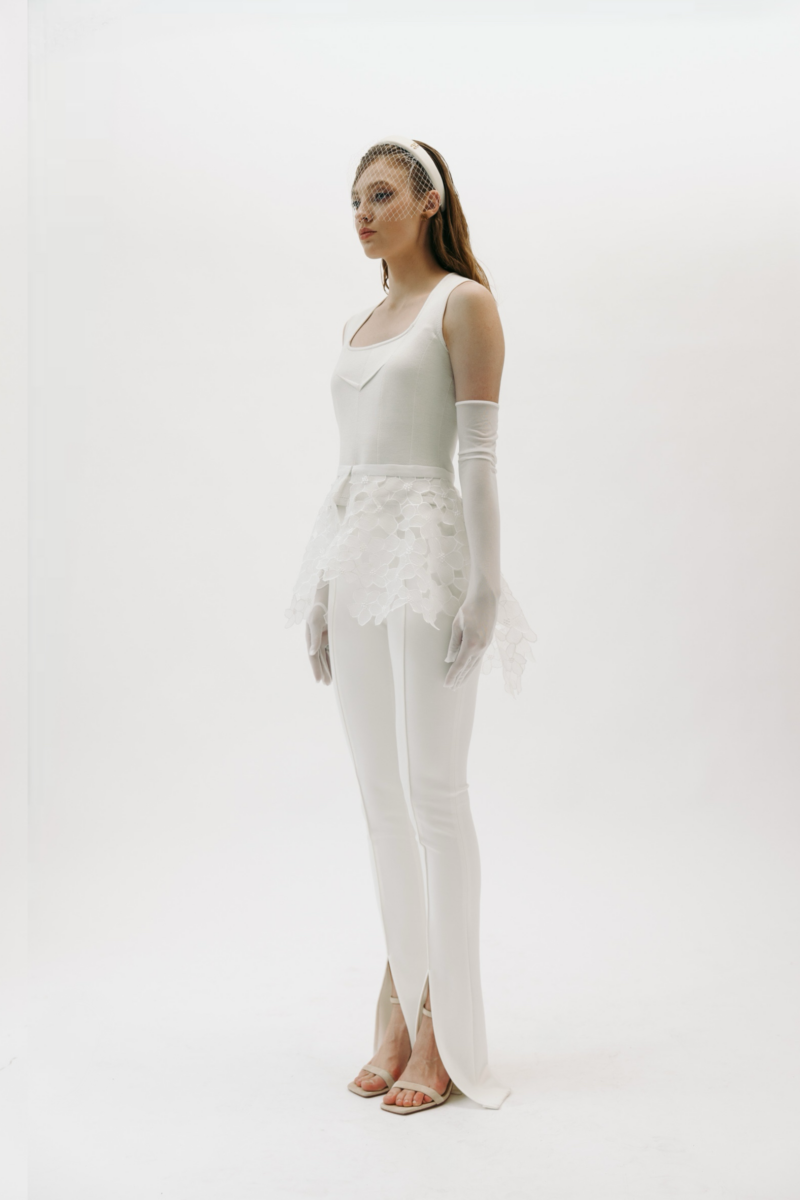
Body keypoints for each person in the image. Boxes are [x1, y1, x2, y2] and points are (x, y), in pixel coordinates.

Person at [285, 137, 536, 1112]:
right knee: (377, 797)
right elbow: (347, 471)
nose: (361, 212)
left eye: (381, 194)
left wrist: (486, 586)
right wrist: (319, 584)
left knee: (434, 792)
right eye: (353, 198)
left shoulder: (461, 305)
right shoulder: (356, 319)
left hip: (429, 556)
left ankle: (444, 1030)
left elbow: (478, 460)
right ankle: (395, 1000)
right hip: (355, 561)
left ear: (428, 201)